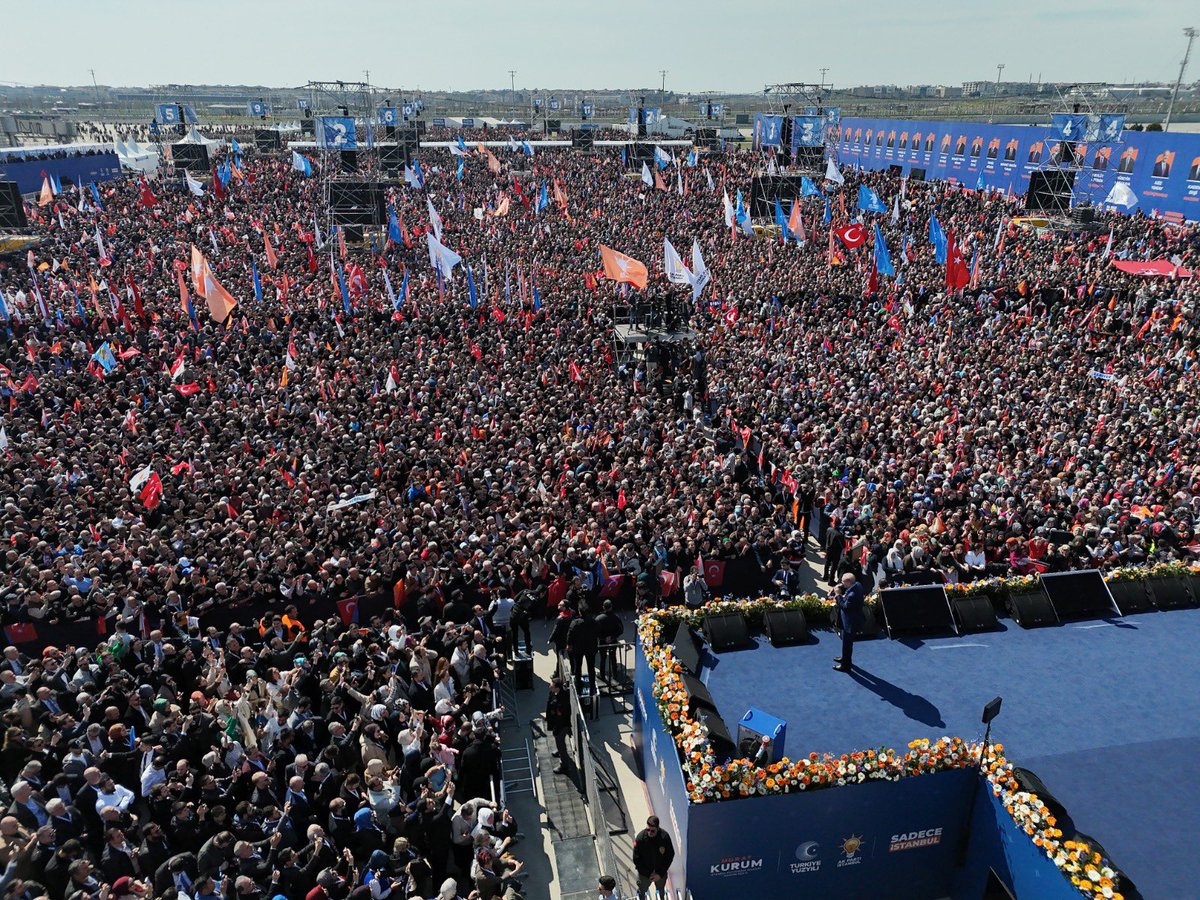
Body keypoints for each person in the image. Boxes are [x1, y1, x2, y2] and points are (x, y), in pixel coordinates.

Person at [631, 816, 674, 898]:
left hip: (660, 873)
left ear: (657, 828)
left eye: (652, 831)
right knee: (642, 892)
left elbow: (670, 856)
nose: (649, 832)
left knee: (661, 892)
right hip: (644, 874)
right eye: (647, 829)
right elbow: (636, 859)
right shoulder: (640, 838)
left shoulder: (664, 837)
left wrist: (660, 874)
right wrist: (648, 874)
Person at [833, 573, 866, 672]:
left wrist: (838, 594)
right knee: (845, 642)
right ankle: (844, 658)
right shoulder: (857, 585)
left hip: (850, 623)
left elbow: (845, 606)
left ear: (848, 582)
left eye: (843, 582)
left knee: (847, 644)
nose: (842, 584)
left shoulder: (852, 595)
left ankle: (846, 666)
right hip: (849, 620)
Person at [544, 677, 571, 776]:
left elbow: (561, 715)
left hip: (561, 725)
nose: (550, 685)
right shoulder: (553, 693)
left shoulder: (562, 699)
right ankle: (559, 751)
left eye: (552, 685)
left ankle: (564, 765)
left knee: (561, 743)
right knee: (558, 741)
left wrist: (556, 727)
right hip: (555, 723)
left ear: (557, 688)